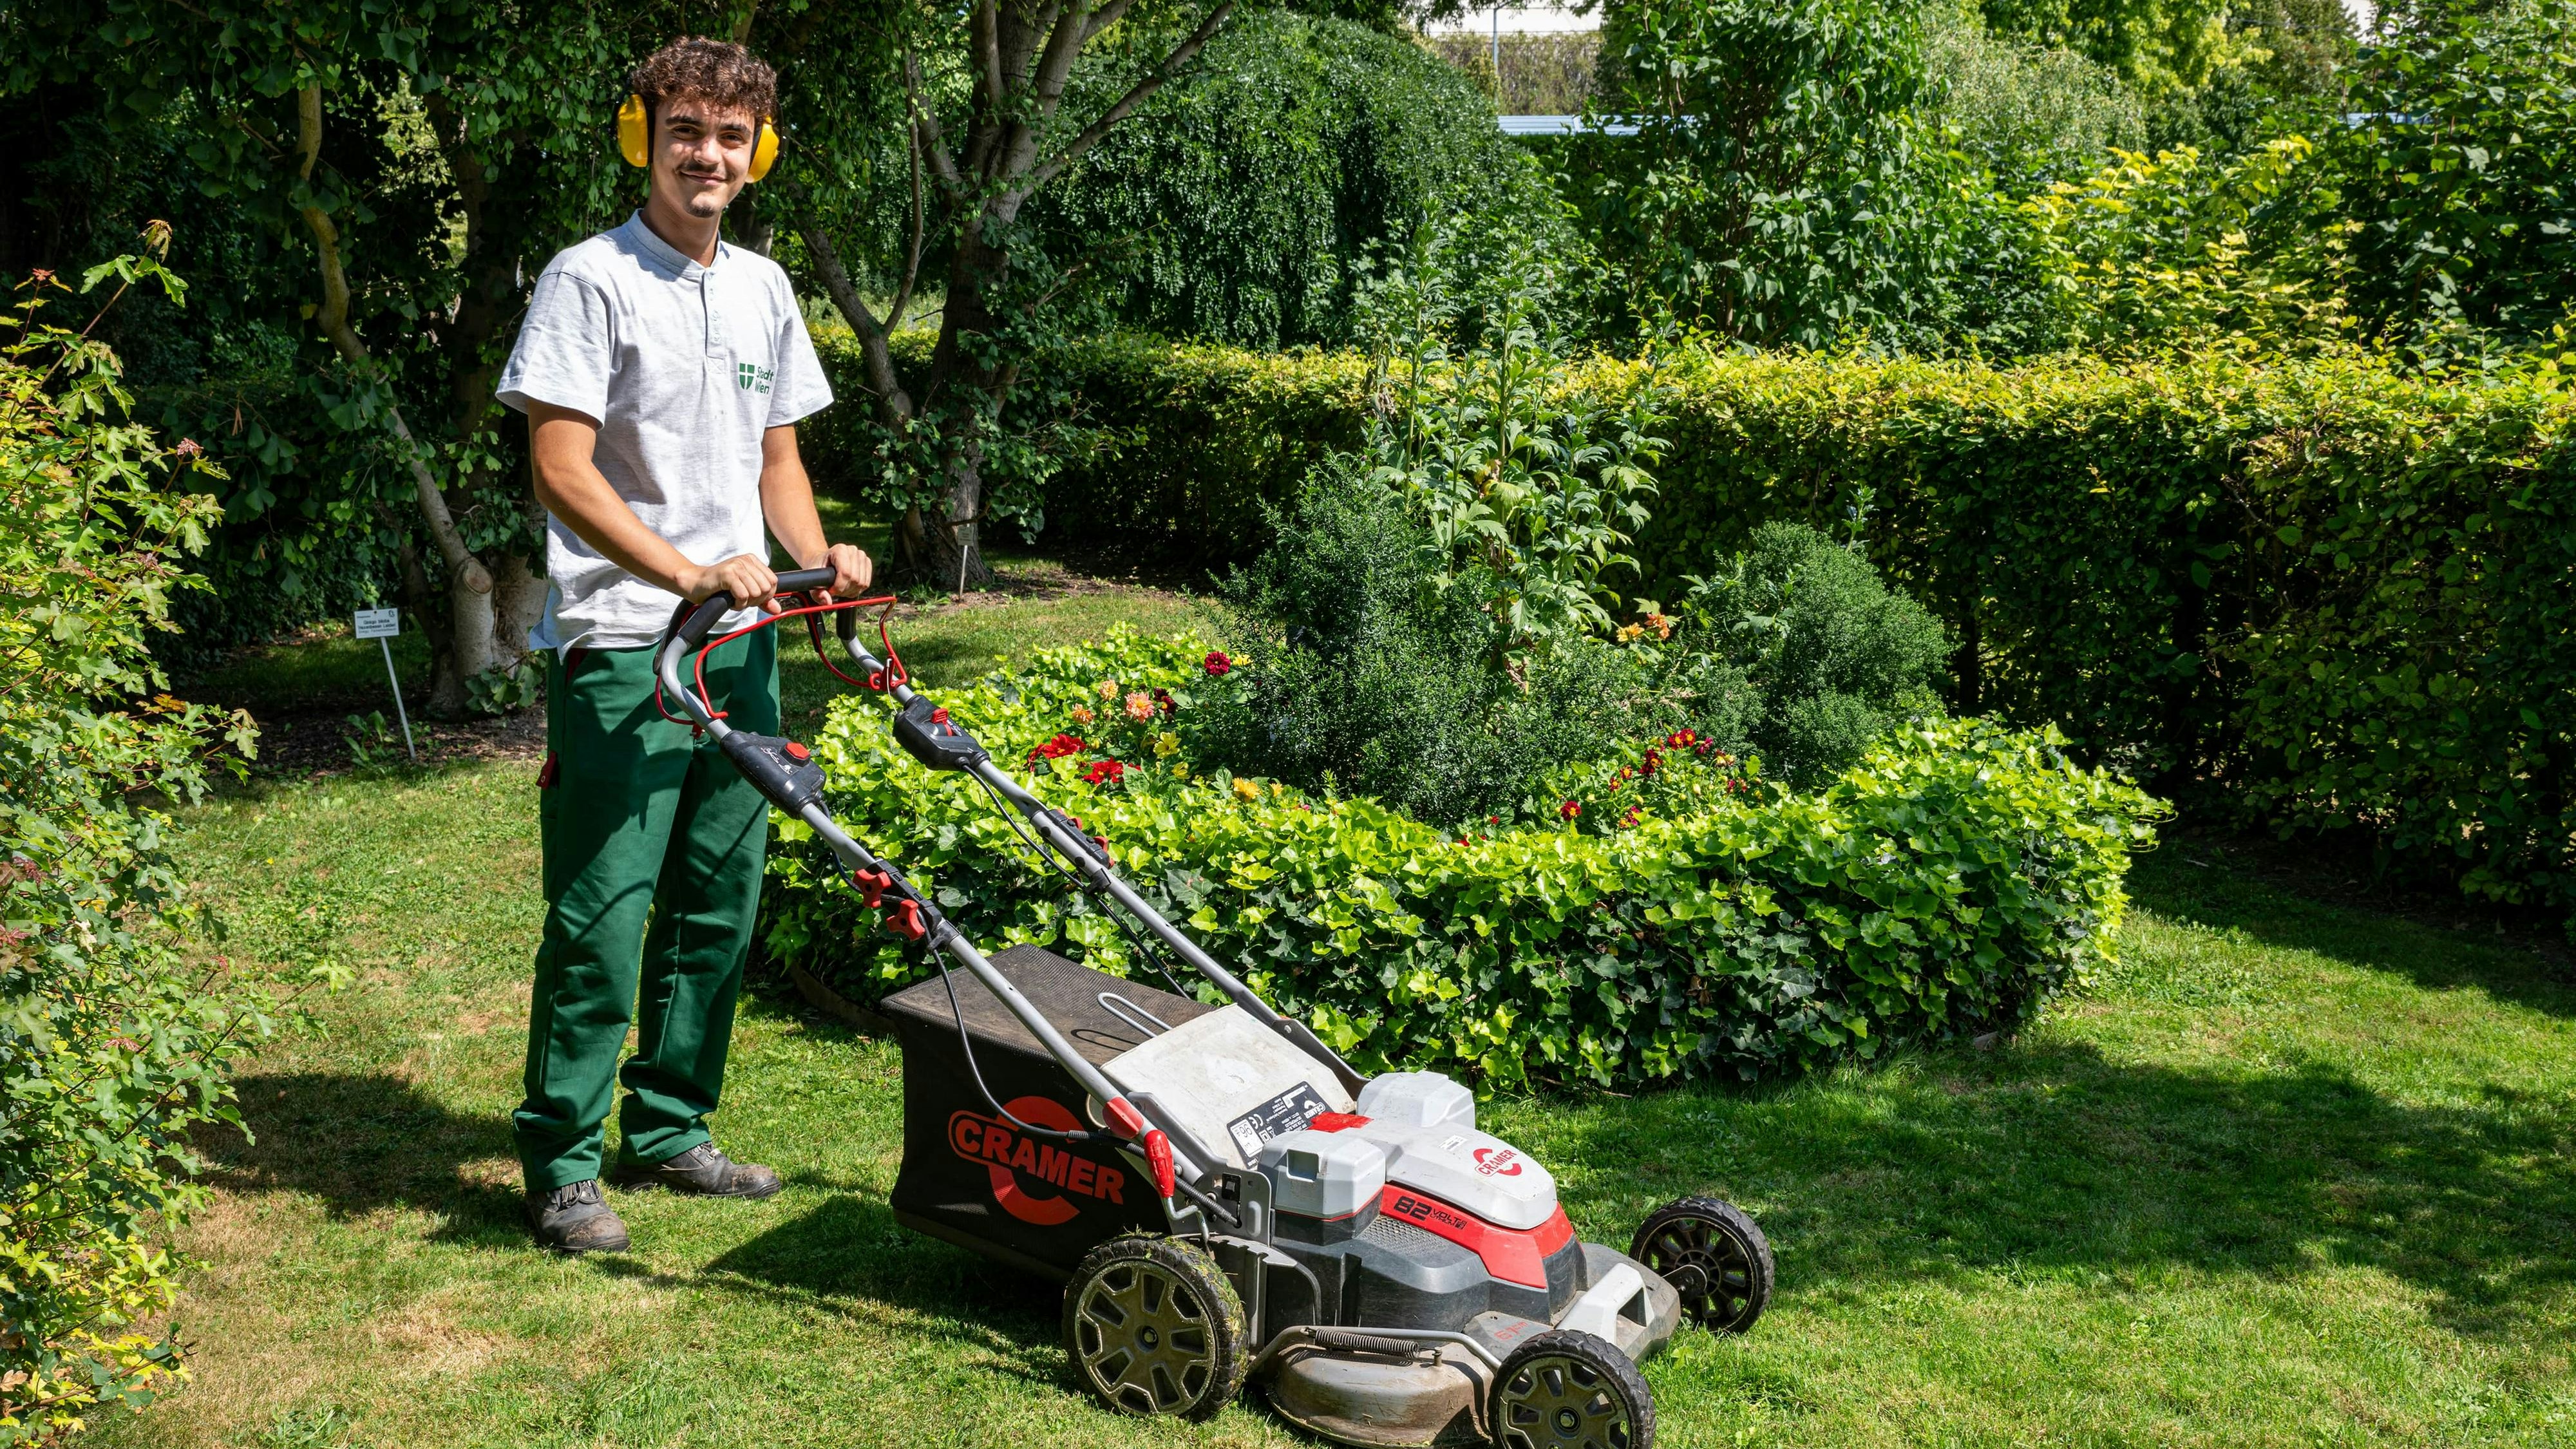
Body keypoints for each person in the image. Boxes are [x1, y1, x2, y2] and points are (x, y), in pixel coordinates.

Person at [493, 36, 866, 1253]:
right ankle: (561, 1159)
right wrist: (682, 570)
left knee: (720, 899)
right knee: (605, 906)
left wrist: (825, 568)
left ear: (756, 154)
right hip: (622, 644)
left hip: (740, 645)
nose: (705, 155)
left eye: (728, 136)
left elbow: (780, 466)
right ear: (640, 138)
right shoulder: (588, 279)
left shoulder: (763, 287)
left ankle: (666, 1126)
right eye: (684, 132)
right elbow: (560, 470)